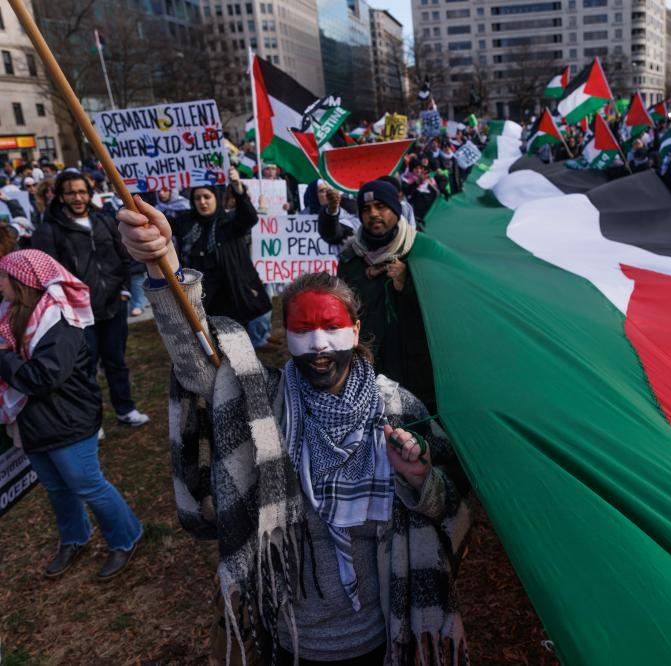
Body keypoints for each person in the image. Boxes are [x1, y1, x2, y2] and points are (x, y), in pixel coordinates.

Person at [115, 198, 470, 664]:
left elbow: (454, 510)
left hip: (385, 633)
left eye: (331, 326)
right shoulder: (266, 405)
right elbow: (198, 364)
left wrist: (421, 478)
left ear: (357, 328)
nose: (319, 344)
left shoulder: (398, 409)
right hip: (292, 639)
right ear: (285, 334)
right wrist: (164, 267)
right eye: (302, 329)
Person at [0, 250, 142, 579]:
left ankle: (125, 537)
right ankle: (75, 538)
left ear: (23, 282)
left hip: (68, 420)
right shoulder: (11, 317)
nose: (0, 284)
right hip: (35, 423)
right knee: (57, 488)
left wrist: (4, 359)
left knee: (88, 485)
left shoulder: (58, 322)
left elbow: (43, 377)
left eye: (4, 277)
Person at [32, 171, 149, 427]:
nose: (77, 197)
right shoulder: (49, 230)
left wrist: (125, 292)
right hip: (76, 314)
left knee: (116, 362)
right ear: (61, 196)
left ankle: (125, 409)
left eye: (82, 191)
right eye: (71, 192)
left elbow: (125, 256)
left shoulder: (104, 221)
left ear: (89, 193)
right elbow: (45, 275)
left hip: (114, 306)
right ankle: (92, 421)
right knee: (85, 369)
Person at [318, 180, 436, 412]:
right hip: (370, 363)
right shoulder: (352, 259)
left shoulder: (420, 252)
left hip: (416, 368)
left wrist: (409, 283)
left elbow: (439, 306)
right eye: (366, 208)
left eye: (381, 206)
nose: (373, 214)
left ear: (396, 208)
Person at [169, 167, 271, 338]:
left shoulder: (228, 223)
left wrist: (238, 187)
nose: (202, 202)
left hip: (231, 294)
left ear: (216, 198)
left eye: (206, 197)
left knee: (235, 342)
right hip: (200, 298)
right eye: (197, 198)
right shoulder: (186, 223)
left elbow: (249, 217)